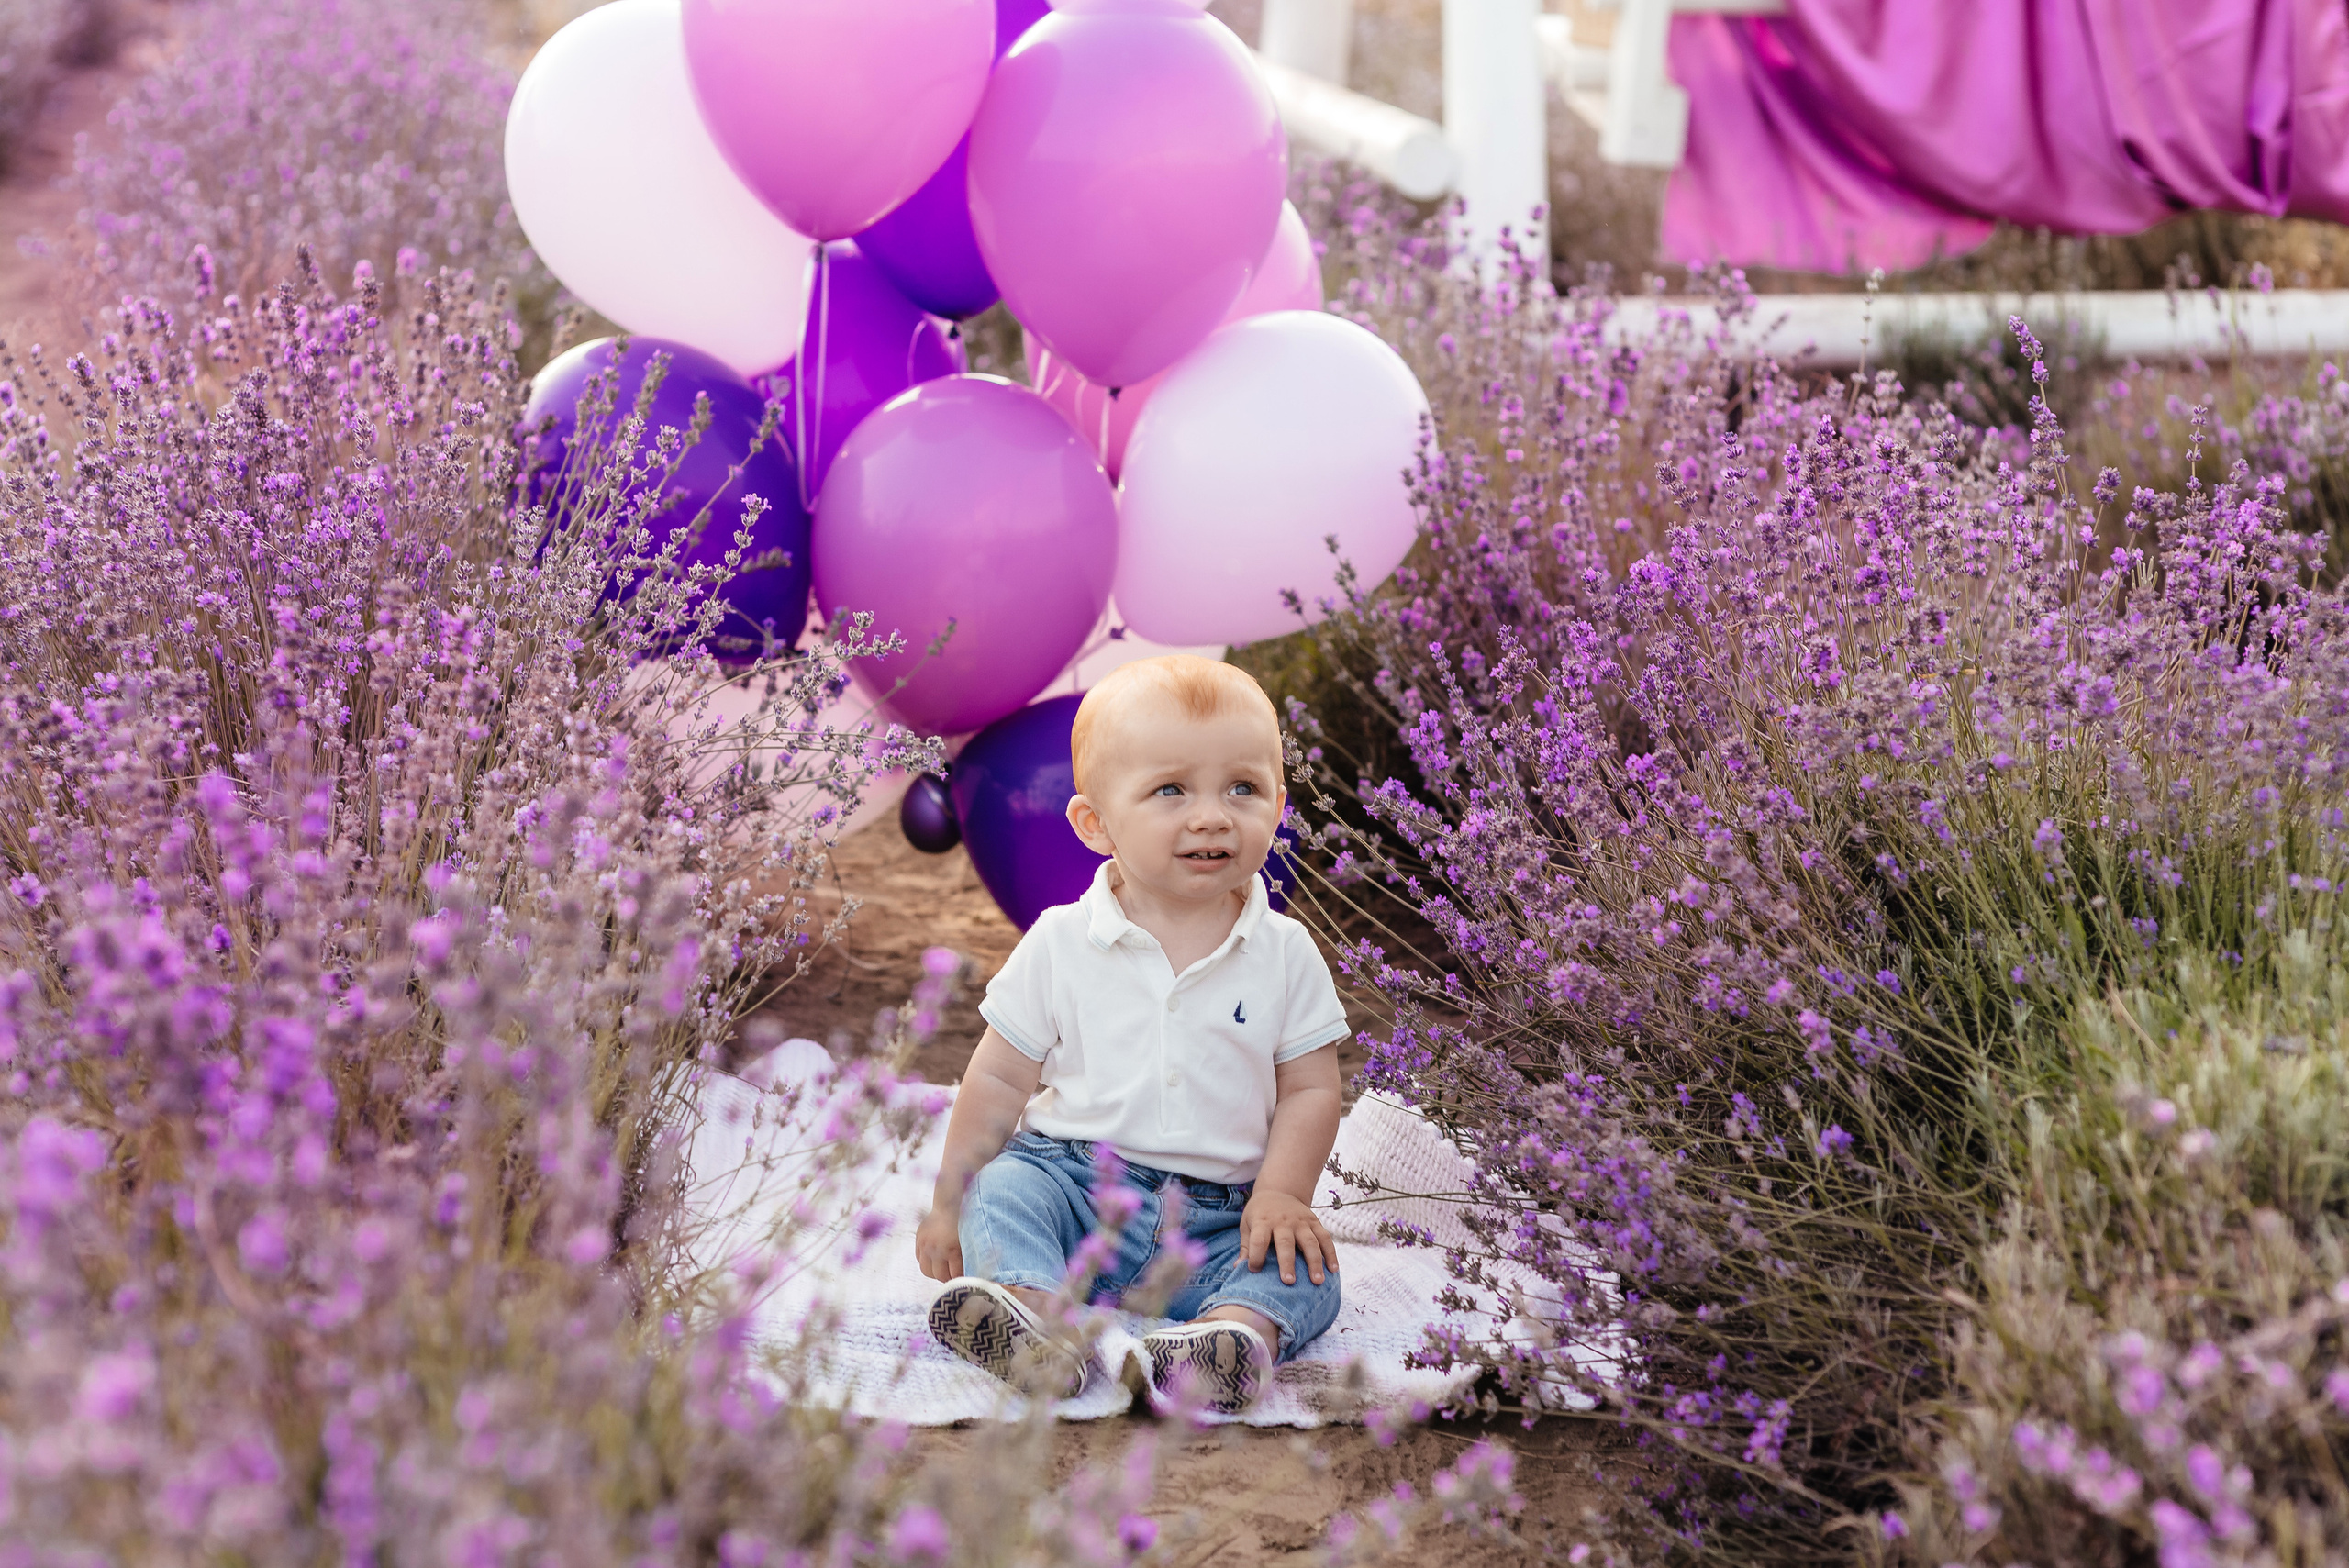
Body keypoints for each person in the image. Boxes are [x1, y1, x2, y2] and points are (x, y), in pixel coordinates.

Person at [914, 655, 1347, 1413]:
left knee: (1307, 1265)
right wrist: (948, 1201)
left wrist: (1281, 1193)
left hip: (1217, 1222)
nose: (1212, 814)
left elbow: (1311, 1085)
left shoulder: (1285, 951)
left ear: (1278, 805)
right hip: (1076, 1188)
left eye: (1242, 788)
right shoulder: (1061, 941)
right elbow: (998, 1079)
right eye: (1171, 790)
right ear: (1096, 823)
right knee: (1003, 1188)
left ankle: (1227, 1338)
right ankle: (1034, 1317)